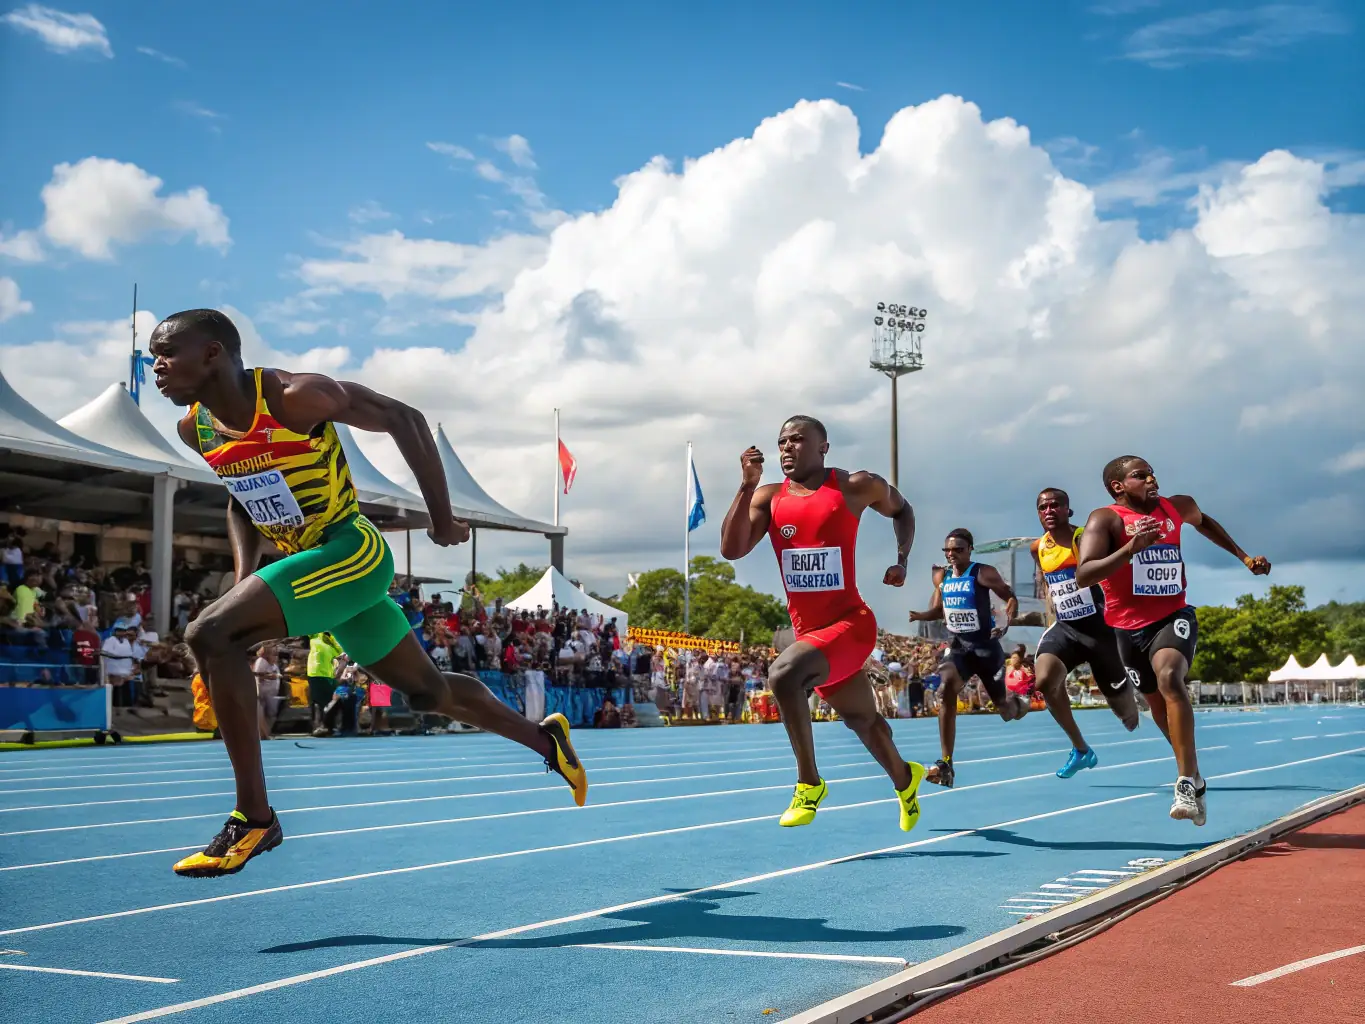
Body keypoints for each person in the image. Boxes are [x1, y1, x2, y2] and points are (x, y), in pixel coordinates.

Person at [150, 307, 586, 877]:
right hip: (313, 567)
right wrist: (243, 578)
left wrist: (443, 519)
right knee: (427, 692)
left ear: (212, 353)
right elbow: (243, 497)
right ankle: (546, 739)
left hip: (351, 551)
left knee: (209, 634)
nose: (155, 365)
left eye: (166, 353)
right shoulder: (195, 429)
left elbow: (402, 417)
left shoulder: (294, 396)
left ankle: (254, 817)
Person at [719, 415, 925, 831]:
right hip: (812, 636)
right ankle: (906, 780)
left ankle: (809, 784)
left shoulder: (854, 486)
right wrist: (745, 486)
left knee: (782, 673)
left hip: (852, 624)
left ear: (823, 447)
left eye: (798, 440)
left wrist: (902, 560)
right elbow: (732, 549)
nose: (787, 448)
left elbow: (903, 511)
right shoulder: (769, 497)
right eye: (782, 442)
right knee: (863, 722)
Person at [1077, 456, 1270, 826]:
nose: (1151, 478)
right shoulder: (1105, 519)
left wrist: (1244, 557)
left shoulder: (1177, 506)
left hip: (1173, 615)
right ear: (1118, 486)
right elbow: (1085, 574)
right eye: (1140, 475)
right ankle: (1195, 777)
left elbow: (1204, 522)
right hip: (1127, 628)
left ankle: (1183, 781)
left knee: (1170, 679)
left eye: (1152, 472)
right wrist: (1129, 549)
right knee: (1157, 705)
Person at [1029, 487, 1148, 779]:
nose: (1049, 511)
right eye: (1043, 507)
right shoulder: (1038, 548)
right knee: (1044, 681)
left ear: (1068, 511)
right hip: (1067, 628)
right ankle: (1081, 749)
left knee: (1129, 719)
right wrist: (1050, 618)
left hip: (1102, 632)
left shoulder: (1083, 538)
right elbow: (1049, 585)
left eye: (1056, 505)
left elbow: (1114, 570)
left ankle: (1133, 693)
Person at [908, 529, 1026, 788]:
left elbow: (1010, 597)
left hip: (986, 649)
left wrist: (1009, 614)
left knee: (1005, 711)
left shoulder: (983, 573)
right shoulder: (943, 576)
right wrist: (921, 615)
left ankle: (1019, 703)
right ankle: (946, 763)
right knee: (945, 689)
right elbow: (939, 610)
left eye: (958, 550)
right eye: (947, 550)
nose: (952, 554)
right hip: (959, 646)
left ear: (970, 549)